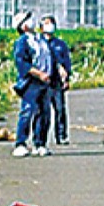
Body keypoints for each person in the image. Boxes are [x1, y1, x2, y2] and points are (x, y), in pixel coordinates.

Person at [12, 12, 52, 157]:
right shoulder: (23, 42)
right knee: (27, 111)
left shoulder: (40, 39)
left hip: (45, 82)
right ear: (24, 26)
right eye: (28, 19)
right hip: (31, 81)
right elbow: (22, 63)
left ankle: (40, 143)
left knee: (44, 113)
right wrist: (39, 73)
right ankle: (21, 143)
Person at [42, 16, 72, 146]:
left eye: (51, 23)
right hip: (43, 81)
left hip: (57, 82)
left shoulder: (60, 44)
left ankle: (61, 135)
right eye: (47, 23)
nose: (50, 26)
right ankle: (40, 138)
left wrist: (66, 78)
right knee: (42, 111)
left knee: (60, 109)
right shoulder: (39, 43)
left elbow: (66, 62)